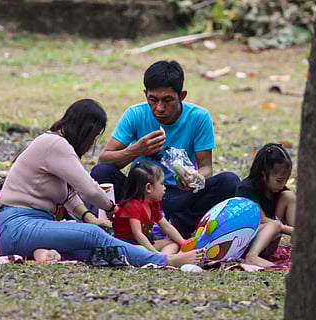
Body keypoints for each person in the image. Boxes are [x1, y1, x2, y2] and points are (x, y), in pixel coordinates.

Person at [0, 98, 204, 267]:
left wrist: (88, 216)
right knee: (92, 235)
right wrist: (111, 208)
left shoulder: (55, 144)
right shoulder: (54, 144)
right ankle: (165, 261)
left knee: (93, 249)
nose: (92, 144)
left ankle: (44, 253)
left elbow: (68, 194)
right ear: (85, 129)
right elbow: (88, 189)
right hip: (18, 225)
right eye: (94, 136)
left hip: (29, 227)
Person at [91, 60, 240, 238]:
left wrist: (195, 178)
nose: (159, 108)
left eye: (167, 100)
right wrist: (136, 150)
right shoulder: (136, 114)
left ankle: (175, 225)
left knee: (229, 182)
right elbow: (104, 158)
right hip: (140, 195)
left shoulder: (199, 117)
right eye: (152, 100)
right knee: (102, 171)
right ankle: (129, 222)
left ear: (182, 96)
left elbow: (206, 167)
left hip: (178, 195)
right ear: (145, 94)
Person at [235, 142, 296, 267]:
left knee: (289, 196)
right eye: (279, 180)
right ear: (263, 174)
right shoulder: (247, 189)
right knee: (274, 225)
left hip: (268, 241)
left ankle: (302, 245)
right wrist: (291, 230)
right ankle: (252, 257)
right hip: (245, 241)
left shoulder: (279, 191)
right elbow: (261, 220)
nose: (282, 184)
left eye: (286, 179)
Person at [113, 161, 188, 254]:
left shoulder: (153, 204)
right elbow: (138, 234)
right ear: (148, 187)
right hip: (128, 245)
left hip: (144, 243)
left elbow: (166, 226)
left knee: (174, 243)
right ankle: (160, 258)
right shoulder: (132, 206)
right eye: (162, 184)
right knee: (142, 249)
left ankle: (165, 258)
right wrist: (154, 253)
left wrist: (183, 242)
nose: (164, 188)